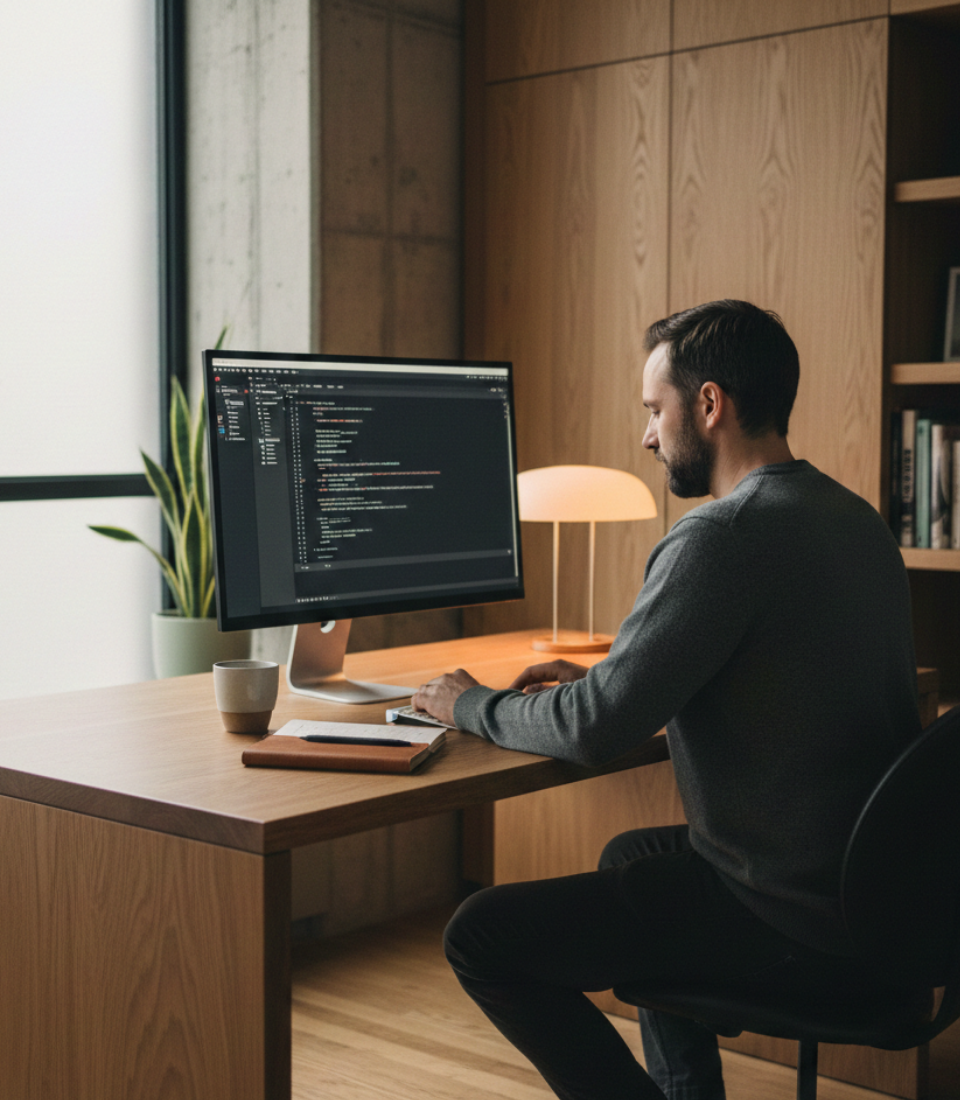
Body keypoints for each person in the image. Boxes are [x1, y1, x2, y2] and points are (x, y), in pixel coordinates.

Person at [412, 300, 922, 1100]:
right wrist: (617, 677)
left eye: (656, 410)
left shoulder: (722, 537)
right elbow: (762, 663)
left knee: (481, 936)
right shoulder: (851, 518)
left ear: (710, 405)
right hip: (878, 894)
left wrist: (468, 703)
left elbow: (593, 731)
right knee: (633, 856)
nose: (648, 435)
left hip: (788, 914)